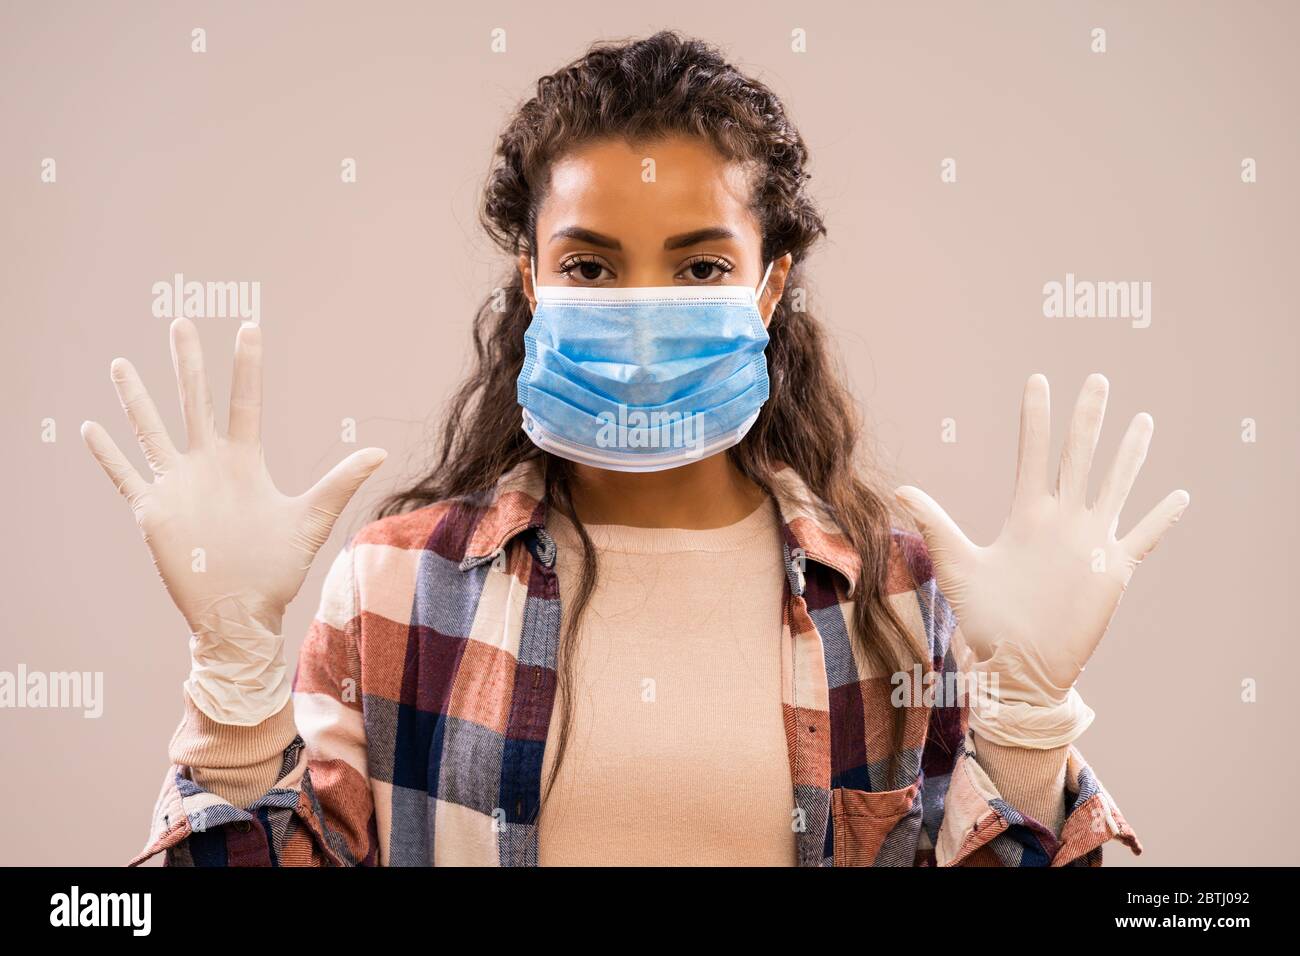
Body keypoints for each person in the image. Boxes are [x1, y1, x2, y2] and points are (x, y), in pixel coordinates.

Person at [82, 31, 1188, 867]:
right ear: (530, 280)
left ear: (769, 285)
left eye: (701, 267)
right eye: (593, 267)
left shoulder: (896, 594)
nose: (646, 308)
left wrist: (1029, 729)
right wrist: (234, 684)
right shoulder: (396, 588)